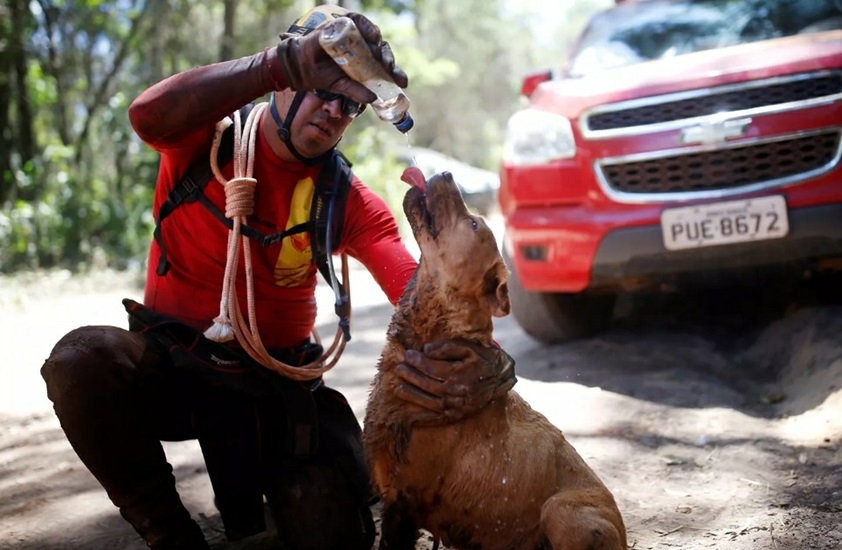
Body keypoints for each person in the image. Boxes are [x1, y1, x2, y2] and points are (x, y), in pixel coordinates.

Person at [40, 7, 516, 550]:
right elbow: (146, 116)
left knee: (329, 531)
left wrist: (479, 354)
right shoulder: (206, 141)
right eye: (320, 87)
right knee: (81, 360)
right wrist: (282, 63)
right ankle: (172, 539)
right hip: (176, 370)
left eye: (350, 102)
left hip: (273, 389)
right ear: (285, 85)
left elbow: (417, 290)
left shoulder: (347, 200)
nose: (333, 110)